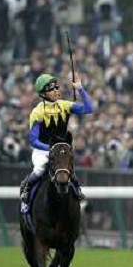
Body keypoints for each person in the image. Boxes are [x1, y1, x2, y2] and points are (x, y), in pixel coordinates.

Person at [20, 73, 94, 213]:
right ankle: (26, 191)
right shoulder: (38, 112)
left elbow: (89, 109)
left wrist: (80, 89)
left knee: (68, 170)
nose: (56, 91)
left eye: (56, 87)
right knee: (40, 169)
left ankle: (77, 192)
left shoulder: (65, 105)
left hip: (61, 149)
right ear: (43, 93)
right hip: (43, 150)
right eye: (51, 89)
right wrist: (50, 148)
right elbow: (33, 140)